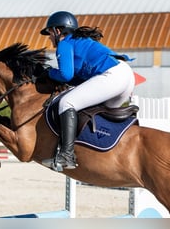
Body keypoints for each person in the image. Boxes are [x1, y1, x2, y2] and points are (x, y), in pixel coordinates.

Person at [40, 11, 135, 171]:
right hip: (126, 76)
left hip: (112, 76)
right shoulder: (80, 41)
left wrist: (47, 72)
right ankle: (97, 156)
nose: (49, 38)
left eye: (49, 33)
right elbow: (77, 78)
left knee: (67, 102)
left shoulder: (65, 43)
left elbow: (65, 74)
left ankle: (66, 156)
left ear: (58, 31)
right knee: (92, 112)